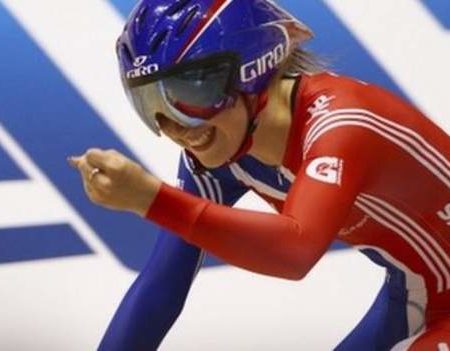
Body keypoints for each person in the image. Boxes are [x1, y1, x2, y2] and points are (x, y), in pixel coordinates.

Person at [69, 0, 450, 349]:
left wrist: (150, 199)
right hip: (419, 293)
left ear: (255, 69)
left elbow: (293, 252)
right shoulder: (221, 154)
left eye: (192, 91)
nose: (175, 126)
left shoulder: (341, 126)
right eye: (152, 101)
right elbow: (161, 285)